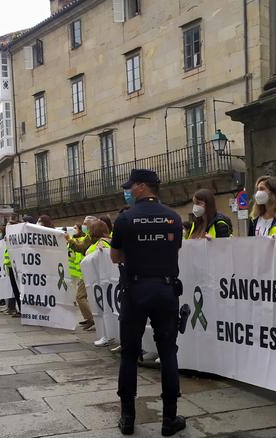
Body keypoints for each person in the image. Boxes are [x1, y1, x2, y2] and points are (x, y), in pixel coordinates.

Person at [111, 169, 185, 436]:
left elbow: (115, 257)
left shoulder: (125, 219)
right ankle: (169, 419)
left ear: (143, 187)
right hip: (165, 290)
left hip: (135, 289)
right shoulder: (174, 218)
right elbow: (174, 250)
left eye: (131, 186)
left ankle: (128, 417)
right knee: (168, 352)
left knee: (130, 353)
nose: (129, 191)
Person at [66, 215, 98, 330]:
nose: (83, 225)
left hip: (90, 271)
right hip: (86, 270)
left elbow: (81, 247)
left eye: (85, 223)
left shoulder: (93, 237)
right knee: (83, 296)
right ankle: (90, 319)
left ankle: (92, 320)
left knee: (80, 296)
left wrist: (70, 240)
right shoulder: (90, 236)